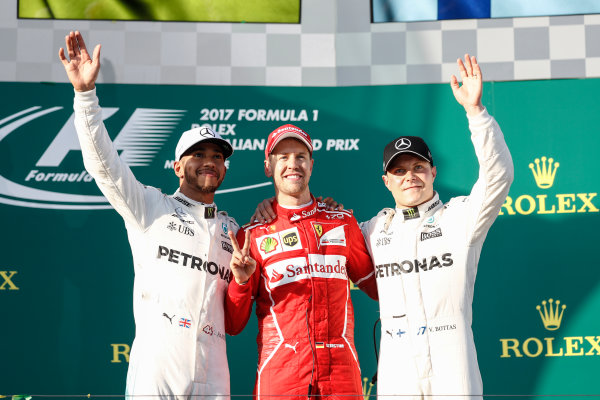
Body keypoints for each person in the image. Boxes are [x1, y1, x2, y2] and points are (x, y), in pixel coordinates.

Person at [59, 31, 239, 399]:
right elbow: (103, 164)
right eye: (198, 154)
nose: (209, 161)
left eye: (218, 156)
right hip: (158, 368)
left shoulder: (235, 230)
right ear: (176, 166)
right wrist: (85, 97)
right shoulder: (150, 207)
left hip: (216, 371)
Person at [360, 54, 514, 399]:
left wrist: (476, 114)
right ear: (386, 181)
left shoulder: (460, 218)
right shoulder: (372, 230)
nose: (410, 175)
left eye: (418, 166)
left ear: (433, 172)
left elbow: (498, 175)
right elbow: (321, 236)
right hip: (396, 365)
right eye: (399, 171)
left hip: (452, 361)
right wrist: (271, 207)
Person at [224, 124, 379, 399]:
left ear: (311, 165)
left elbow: (380, 289)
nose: (292, 164)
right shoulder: (252, 234)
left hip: (341, 378)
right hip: (281, 378)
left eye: (300, 156)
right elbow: (234, 325)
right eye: (283, 157)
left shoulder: (341, 222)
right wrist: (240, 281)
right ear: (267, 167)